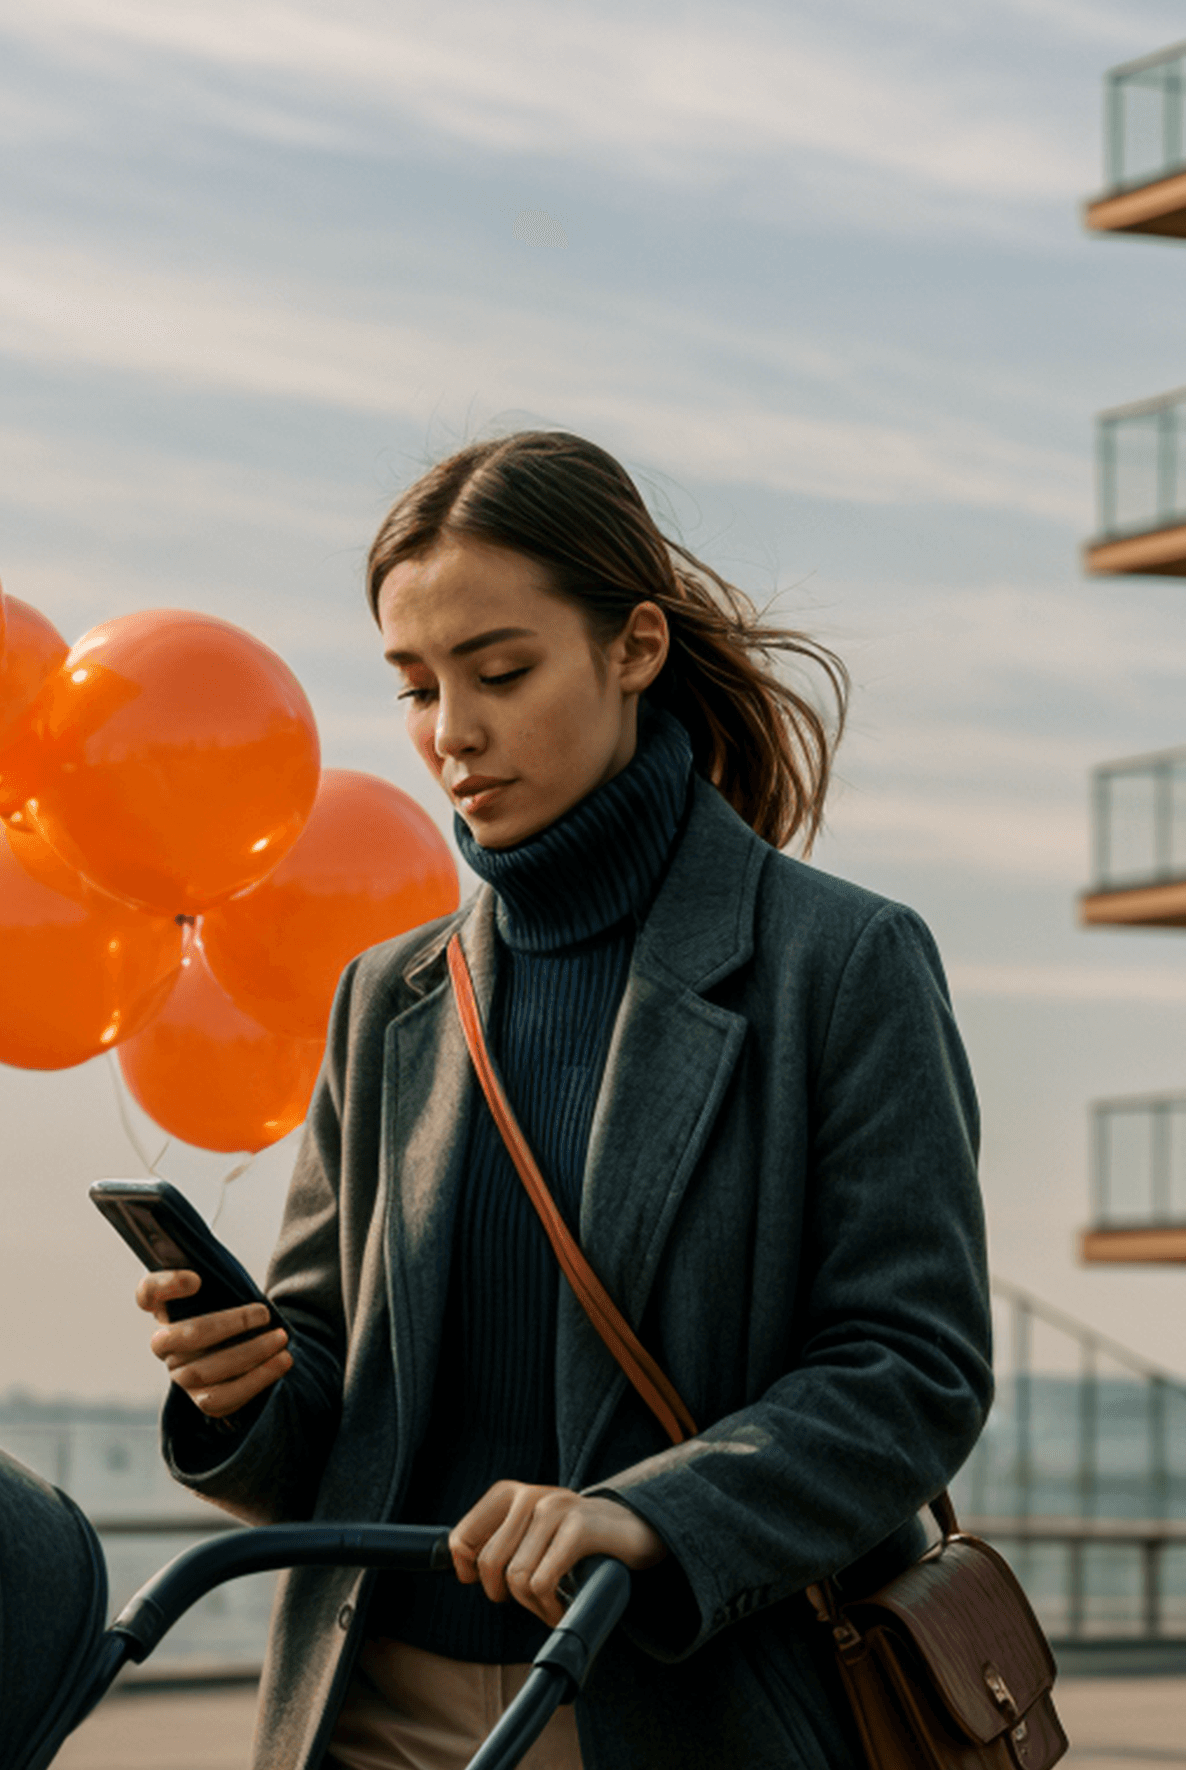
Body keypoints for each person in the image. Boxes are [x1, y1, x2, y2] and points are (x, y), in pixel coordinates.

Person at [130, 431, 994, 1770]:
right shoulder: (387, 998)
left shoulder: (842, 963)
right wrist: (241, 1393)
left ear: (635, 647)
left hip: (681, 1717)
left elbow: (915, 1368)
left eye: (501, 672)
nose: (452, 733)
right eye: (416, 687)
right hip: (370, 1712)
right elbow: (331, 1415)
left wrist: (656, 1516)